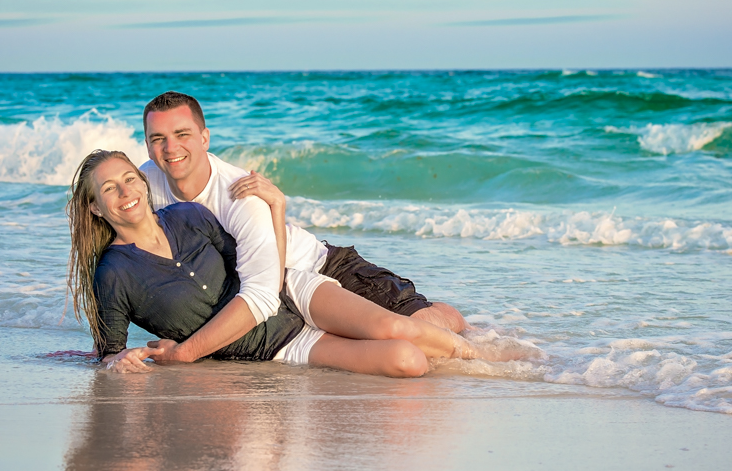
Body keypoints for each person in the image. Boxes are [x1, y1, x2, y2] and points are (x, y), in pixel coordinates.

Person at [66, 149, 477, 377]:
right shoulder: (113, 274)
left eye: (130, 179)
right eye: (109, 188)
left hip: (294, 293)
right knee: (407, 361)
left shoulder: (188, 215)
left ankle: (487, 360)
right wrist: (115, 361)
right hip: (277, 344)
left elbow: (260, 269)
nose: (125, 191)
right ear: (96, 208)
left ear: (143, 180)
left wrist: (277, 206)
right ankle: (454, 331)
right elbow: (110, 352)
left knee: (395, 327)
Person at [137, 91, 468, 369]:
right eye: (158, 139)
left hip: (320, 266)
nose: (170, 148)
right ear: (148, 145)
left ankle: (472, 328)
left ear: (204, 137)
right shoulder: (144, 184)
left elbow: (264, 292)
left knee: (418, 329)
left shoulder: (238, 194)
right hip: (282, 293)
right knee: (390, 349)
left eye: (182, 135)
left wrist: (187, 352)